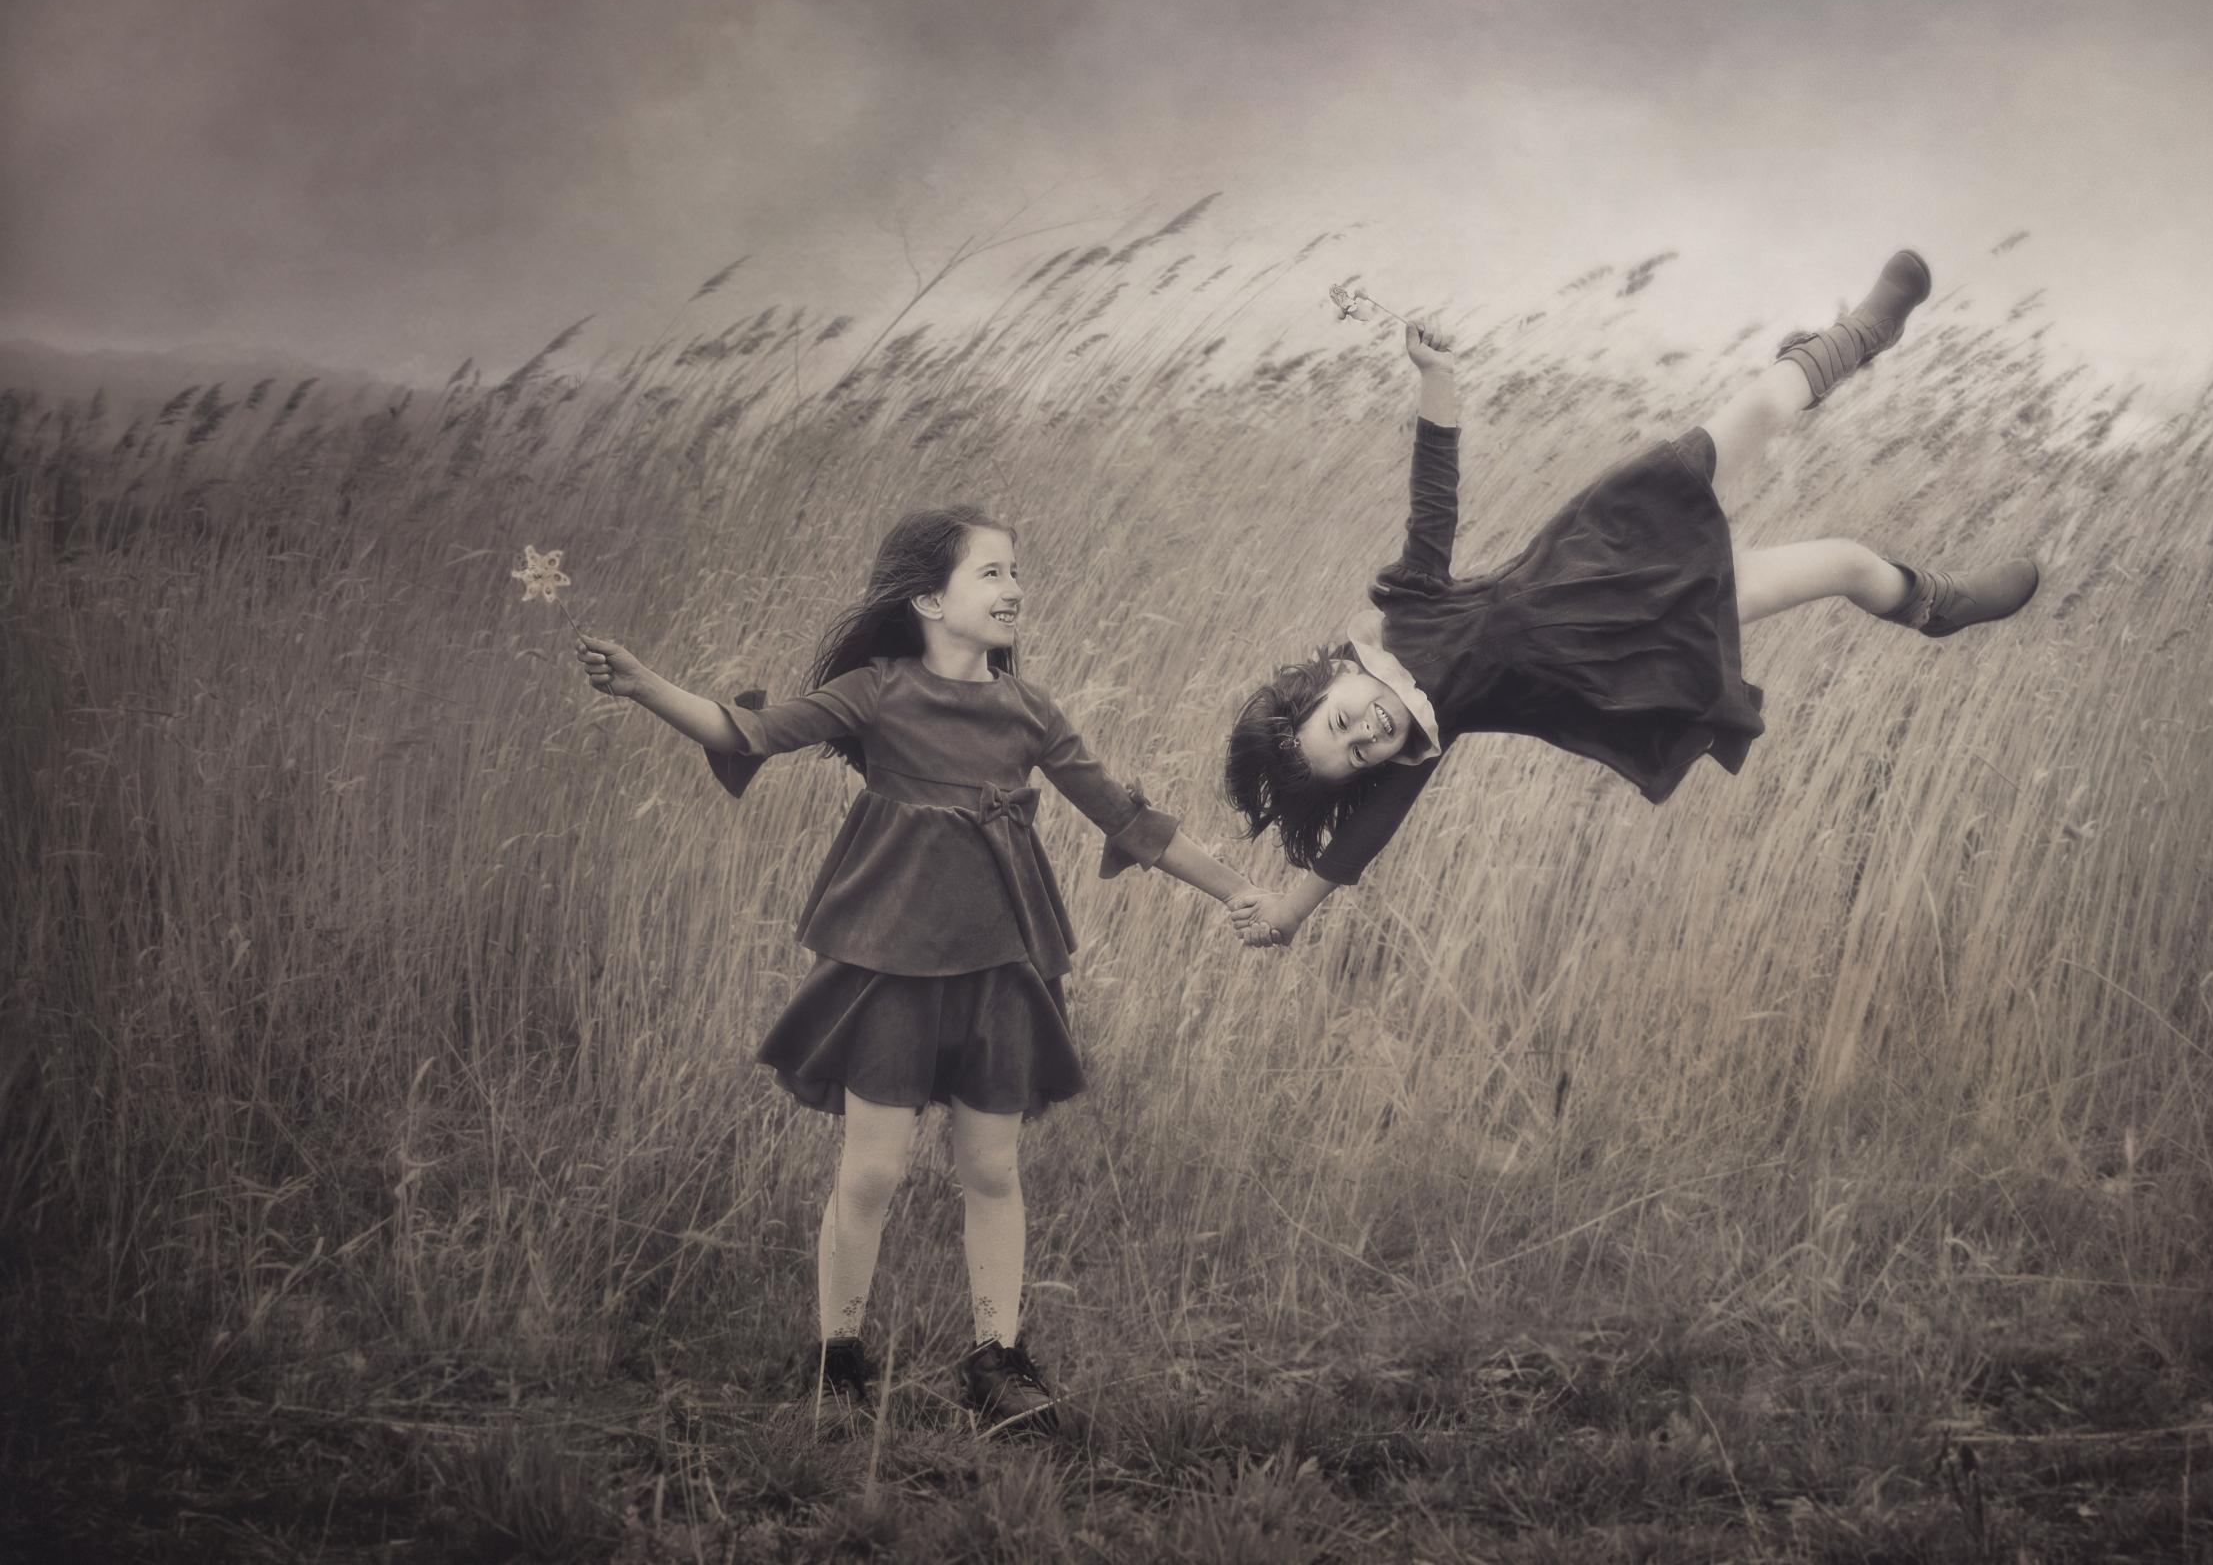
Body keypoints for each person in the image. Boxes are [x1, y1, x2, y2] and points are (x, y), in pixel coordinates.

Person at [576, 504, 1254, 1435]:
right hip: (890, 968)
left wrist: (1239, 893)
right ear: (930, 600)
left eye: (1015, 572)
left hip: (1000, 972)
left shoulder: (1029, 711)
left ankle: (996, 1360)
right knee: (872, 1173)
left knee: (992, 1167)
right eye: (991, 573)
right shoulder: (877, 691)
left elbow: (1129, 821)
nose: (1014, 589)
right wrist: (646, 685)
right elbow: (746, 734)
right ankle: (838, 1360)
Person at [1222, 250, 2038, 948]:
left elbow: (1433, 503)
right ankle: (1937, 607)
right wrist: (1291, 911)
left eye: (1342, 724)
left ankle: (1862, 332)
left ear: (1333, 682)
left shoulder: (1408, 608)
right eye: (1358, 756)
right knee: (1844, 563)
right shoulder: (1431, 737)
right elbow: (1364, 837)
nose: (1367, 733)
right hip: (1646, 636)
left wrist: (1437, 379)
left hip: (1611, 537)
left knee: (1763, 404)